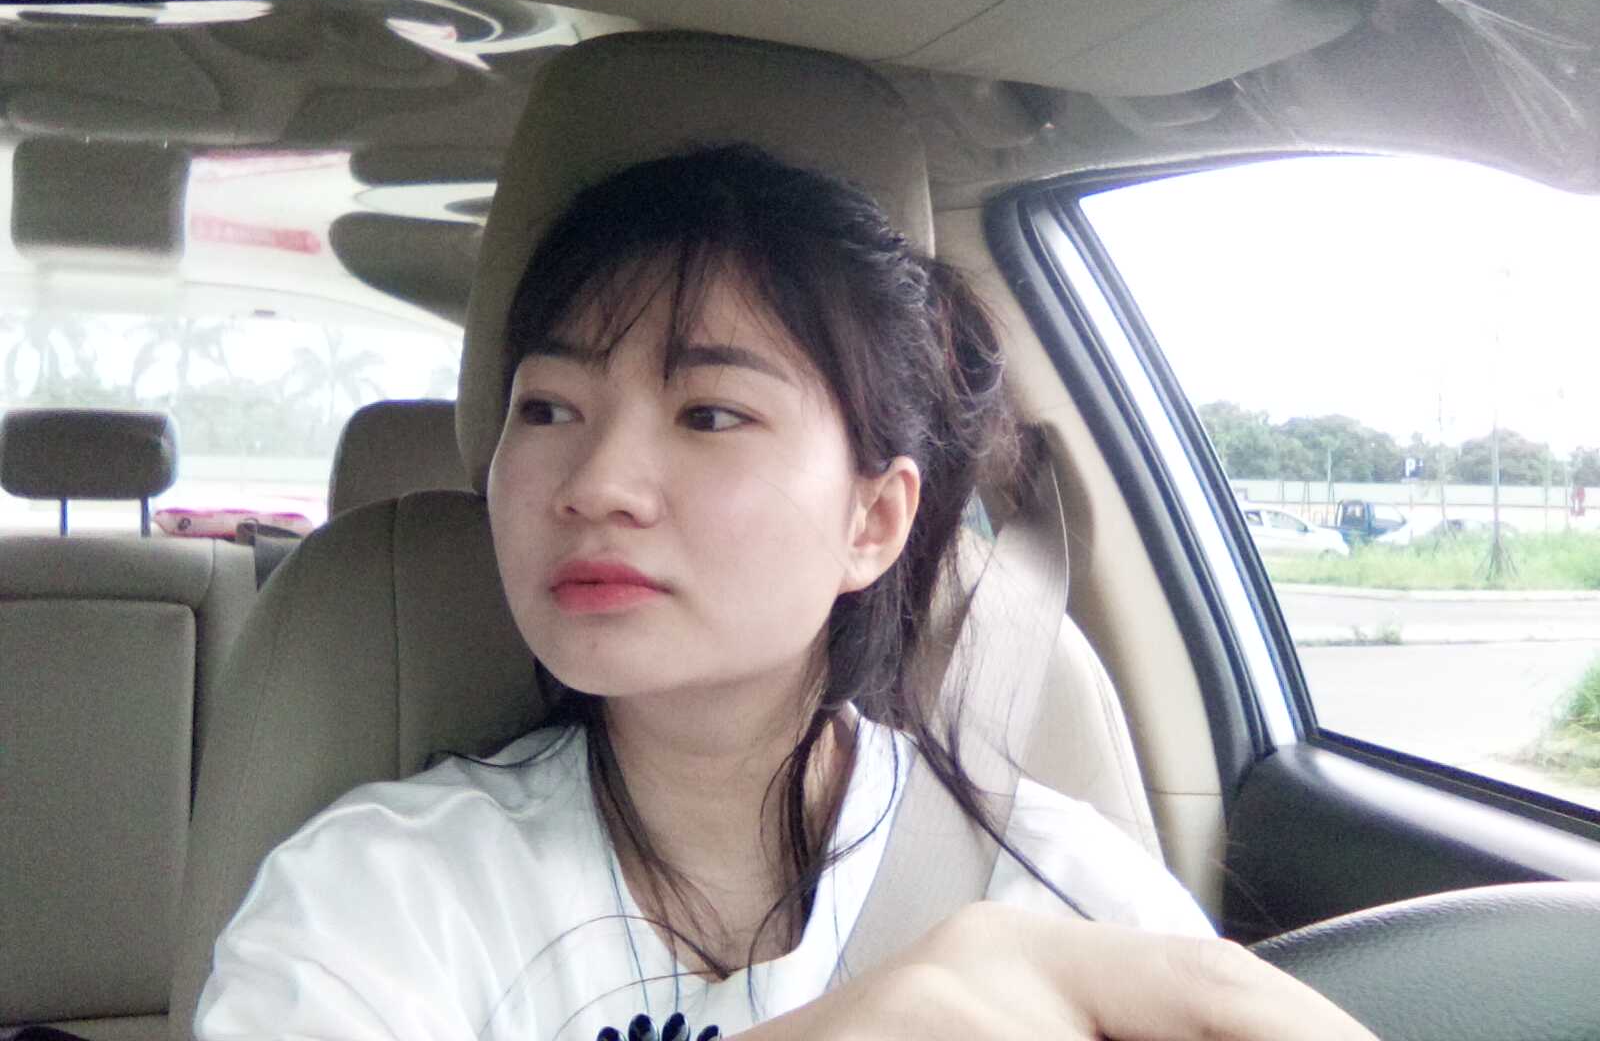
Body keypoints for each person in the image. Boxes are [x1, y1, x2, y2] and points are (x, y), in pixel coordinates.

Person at [195, 145, 1375, 1041]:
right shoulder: (380, 897)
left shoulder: (1059, 898)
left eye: (710, 415)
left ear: (874, 521)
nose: (594, 483)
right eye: (547, 408)